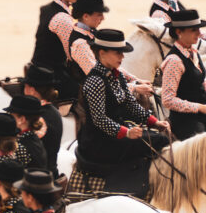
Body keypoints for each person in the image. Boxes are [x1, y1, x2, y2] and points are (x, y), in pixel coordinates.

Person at [67, 29, 170, 197]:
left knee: (159, 138)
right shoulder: (94, 81)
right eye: (117, 53)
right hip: (99, 142)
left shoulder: (117, 76)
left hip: (115, 136)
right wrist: (126, 133)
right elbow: (99, 119)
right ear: (102, 52)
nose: (122, 57)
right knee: (159, 141)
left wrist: (154, 122)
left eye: (122, 53)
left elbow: (130, 105)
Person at [160, 9, 206, 140]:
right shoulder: (174, 61)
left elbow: (203, 84)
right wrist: (200, 108)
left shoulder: (194, 53)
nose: (199, 33)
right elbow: (168, 100)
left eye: (199, 29)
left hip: (201, 117)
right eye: (194, 30)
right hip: (185, 123)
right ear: (179, 32)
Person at [67, 0, 152, 95]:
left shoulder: (91, 33)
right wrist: (134, 88)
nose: (103, 18)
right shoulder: (80, 44)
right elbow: (98, 77)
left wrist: (136, 80)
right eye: (99, 15)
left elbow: (110, 66)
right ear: (85, 16)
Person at [29, 0, 85, 102]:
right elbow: (72, 55)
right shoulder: (62, 18)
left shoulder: (48, 9)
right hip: (52, 75)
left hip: (38, 68)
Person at [22, 65, 63, 176]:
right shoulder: (55, 112)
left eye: (25, 87)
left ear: (31, 90)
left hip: (37, 179)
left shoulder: (35, 117)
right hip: (51, 173)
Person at [3, 95, 48, 171]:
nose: (9, 118)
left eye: (11, 115)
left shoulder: (19, 146)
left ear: (22, 119)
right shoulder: (34, 139)